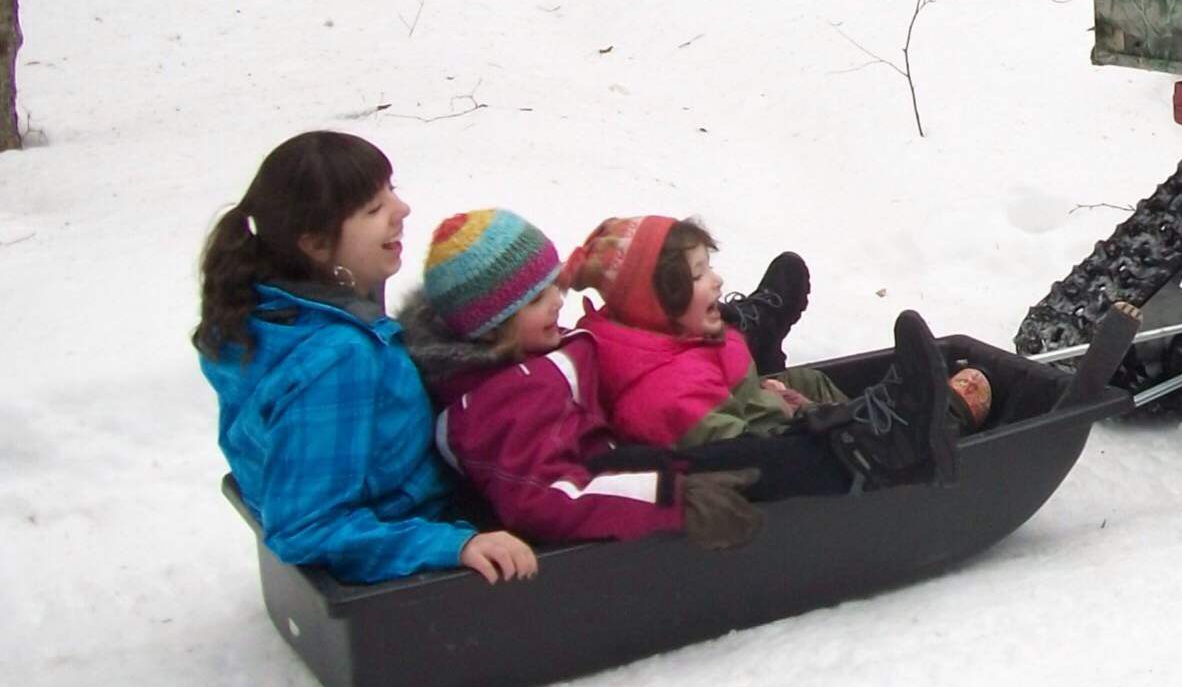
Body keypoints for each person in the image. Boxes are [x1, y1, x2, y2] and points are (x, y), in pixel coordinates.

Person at [195, 132, 537, 586]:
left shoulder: (274, 313)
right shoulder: (337, 358)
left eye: (392, 191)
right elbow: (308, 527)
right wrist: (454, 545)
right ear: (317, 245)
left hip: (406, 493)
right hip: (413, 523)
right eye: (374, 210)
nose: (402, 210)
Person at [397, 209, 764, 549]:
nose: (557, 302)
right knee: (762, 458)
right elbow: (541, 500)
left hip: (628, 459)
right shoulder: (504, 403)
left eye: (554, 286)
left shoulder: (533, 351)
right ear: (492, 327)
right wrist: (671, 498)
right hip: (622, 493)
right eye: (536, 300)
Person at [570, 214, 986, 490]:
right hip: (767, 464)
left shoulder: (659, 340)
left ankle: (883, 411)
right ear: (656, 304)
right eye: (699, 274)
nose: (716, 280)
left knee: (808, 382)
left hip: (744, 403)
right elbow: (749, 460)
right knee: (817, 409)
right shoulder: (667, 396)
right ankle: (917, 432)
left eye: (708, 266)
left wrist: (769, 394)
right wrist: (795, 414)